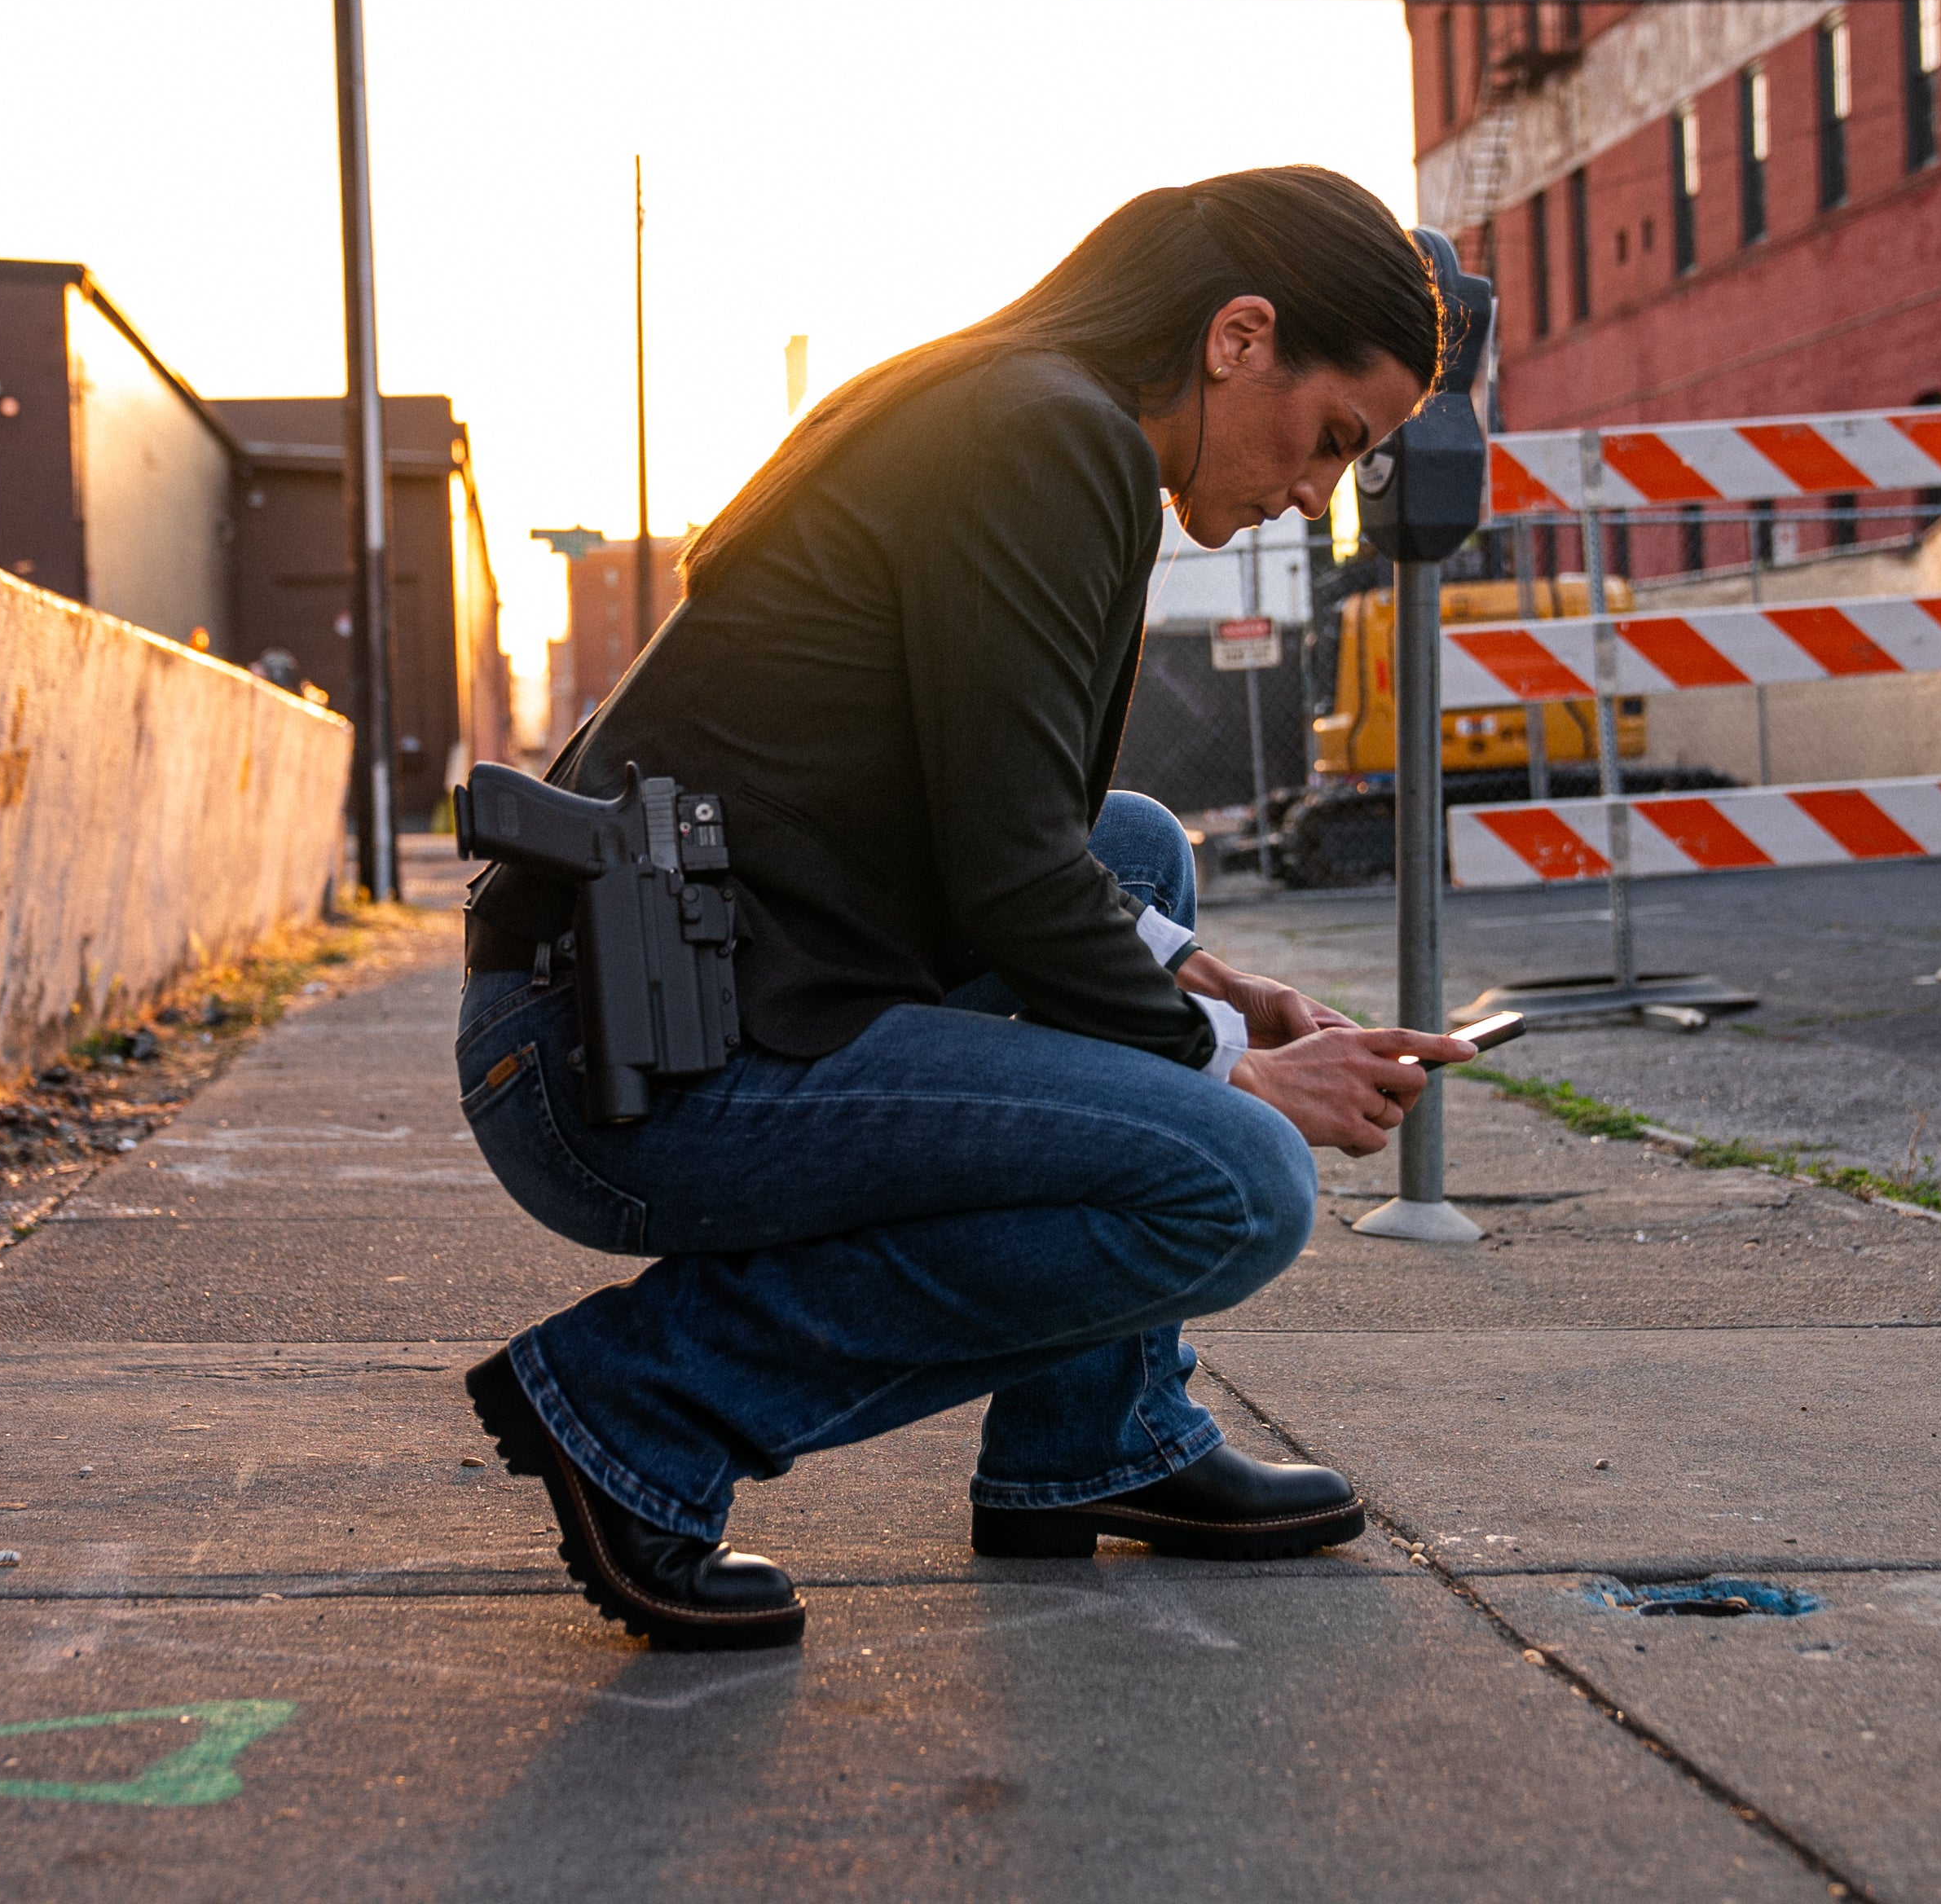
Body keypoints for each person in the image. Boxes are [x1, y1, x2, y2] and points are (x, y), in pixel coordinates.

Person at [456, 165, 1477, 1651]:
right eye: (1332, 442)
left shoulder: (1015, 404)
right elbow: (1003, 877)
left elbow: (1021, 839)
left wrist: (1209, 981)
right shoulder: (1047, 436)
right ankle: (643, 1411)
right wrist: (1233, 1073)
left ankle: (1097, 1439)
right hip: (627, 1065)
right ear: (1239, 336)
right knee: (1241, 1182)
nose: (1317, 500)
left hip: (681, 990)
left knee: (1136, 854)